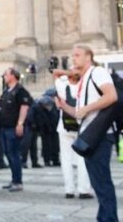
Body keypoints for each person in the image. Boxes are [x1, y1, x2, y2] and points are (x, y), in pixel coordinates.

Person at [56, 45, 118, 222]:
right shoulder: (84, 78)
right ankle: (104, 217)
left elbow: (111, 95)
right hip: (89, 134)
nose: (73, 58)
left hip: (100, 134)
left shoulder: (97, 72)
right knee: (97, 183)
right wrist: (63, 106)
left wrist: (86, 108)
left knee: (102, 182)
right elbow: (79, 113)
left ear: (88, 56)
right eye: (72, 55)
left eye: (77, 55)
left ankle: (109, 219)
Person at [53, 69, 92, 199]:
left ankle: (69, 190)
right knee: (82, 159)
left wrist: (67, 72)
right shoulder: (85, 86)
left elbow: (55, 73)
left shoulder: (62, 86)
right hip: (82, 126)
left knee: (66, 159)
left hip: (64, 127)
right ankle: (83, 189)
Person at [0, 68, 32, 192]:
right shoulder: (6, 90)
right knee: (8, 154)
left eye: (6, 74)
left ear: (13, 76)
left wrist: (20, 123)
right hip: (4, 127)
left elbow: (24, 107)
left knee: (14, 154)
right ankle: (14, 179)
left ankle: (18, 182)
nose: (4, 76)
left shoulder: (20, 91)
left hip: (13, 128)